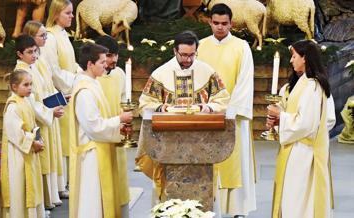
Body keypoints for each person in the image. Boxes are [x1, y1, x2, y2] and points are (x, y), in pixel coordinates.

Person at [136, 30, 230, 202]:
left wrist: (208, 107)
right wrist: (161, 107)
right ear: (175, 51)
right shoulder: (160, 74)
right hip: (167, 142)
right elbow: (144, 104)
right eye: (184, 55)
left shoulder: (207, 72)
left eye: (192, 55)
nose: (188, 59)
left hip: (201, 141)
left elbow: (223, 99)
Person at [197, 4, 256, 217]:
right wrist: (206, 108)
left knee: (235, 160)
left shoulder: (241, 47)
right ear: (210, 22)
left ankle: (236, 209)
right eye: (216, 23)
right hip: (206, 115)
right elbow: (196, 81)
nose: (220, 27)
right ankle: (207, 207)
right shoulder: (200, 47)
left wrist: (230, 111)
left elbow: (245, 82)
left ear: (231, 23)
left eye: (224, 23)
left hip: (232, 117)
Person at [266, 40, 335, 218]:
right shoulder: (296, 85)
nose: (291, 60)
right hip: (293, 149)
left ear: (305, 58)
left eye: (294, 56)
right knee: (290, 197)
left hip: (304, 152)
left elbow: (307, 123)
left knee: (299, 201)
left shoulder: (313, 86)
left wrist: (282, 117)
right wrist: (276, 121)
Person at [68, 43, 133, 218]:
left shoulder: (93, 84)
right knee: (93, 204)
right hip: (91, 155)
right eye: (102, 62)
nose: (106, 65)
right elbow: (94, 127)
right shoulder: (85, 91)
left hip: (99, 150)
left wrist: (118, 127)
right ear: (90, 64)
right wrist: (119, 120)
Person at [14, 34, 65, 211]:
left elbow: (40, 94)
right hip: (34, 122)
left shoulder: (31, 66)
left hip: (42, 115)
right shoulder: (21, 72)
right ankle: (39, 203)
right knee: (38, 162)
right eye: (30, 52)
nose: (34, 55)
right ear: (20, 54)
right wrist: (50, 112)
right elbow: (31, 101)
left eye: (35, 51)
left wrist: (55, 104)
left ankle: (44, 201)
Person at [43, 0, 81, 198]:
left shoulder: (63, 34)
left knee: (69, 136)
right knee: (63, 138)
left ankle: (69, 179)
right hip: (60, 92)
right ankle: (61, 183)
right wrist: (74, 82)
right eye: (68, 13)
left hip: (70, 89)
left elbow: (72, 65)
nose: (72, 16)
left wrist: (83, 75)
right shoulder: (50, 37)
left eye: (72, 13)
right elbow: (54, 69)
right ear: (56, 14)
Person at [0, 69, 45, 218]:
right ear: (14, 87)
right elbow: (15, 133)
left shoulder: (24, 101)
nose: (30, 88)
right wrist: (33, 143)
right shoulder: (13, 106)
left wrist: (38, 138)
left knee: (30, 187)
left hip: (28, 150)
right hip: (18, 154)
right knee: (19, 189)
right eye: (26, 85)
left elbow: (31, 125)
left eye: (31, 84)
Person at [95, 35, 130, 217]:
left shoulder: (120, 74)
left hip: (117, 129)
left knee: (119, 173)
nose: (114, 60)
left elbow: (124, 100)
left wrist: (125, 119)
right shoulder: (91, 77)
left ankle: (120, 207)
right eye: (109, 55)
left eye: (115, 55)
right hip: (99, 132)